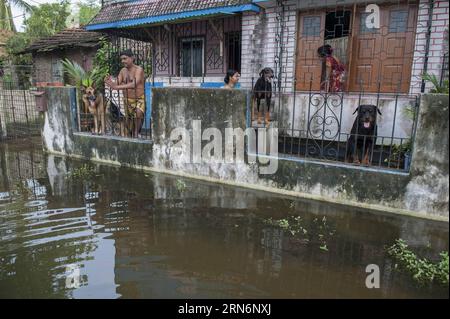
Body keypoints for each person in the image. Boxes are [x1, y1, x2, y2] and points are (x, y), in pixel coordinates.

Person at [105, 49, 145, 138]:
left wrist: (116, 86)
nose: (123, 61)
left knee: (138, 113)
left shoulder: (139, 69)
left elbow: (134, 84)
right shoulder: (123, 71)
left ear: (132, 58)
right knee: (129, 120)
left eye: (125, 58)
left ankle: (136, 133)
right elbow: (117, 83)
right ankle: (131, 133)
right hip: (127, 100)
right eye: (122, 59)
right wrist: (109, 81)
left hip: (139, 98)